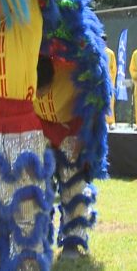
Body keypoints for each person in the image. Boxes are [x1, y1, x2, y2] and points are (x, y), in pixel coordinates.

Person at [34, 56, 97, 259]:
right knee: (36, 184)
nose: (39, 95)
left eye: (42, 89)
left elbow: (94, 104)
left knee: (73, 184)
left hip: (71, 129)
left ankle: (72, 241)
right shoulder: (23, 76)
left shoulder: (71, 73)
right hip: (40, 129)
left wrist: (83, 136)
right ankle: (37, 238)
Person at [102, 34, 117, 129]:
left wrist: (108, 78)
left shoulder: (110, 53)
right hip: (98, 83)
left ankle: (111, 122)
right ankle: (101, 122)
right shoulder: (95, 52)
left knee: (109, 102)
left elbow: (113, 69)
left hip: (107, 82)